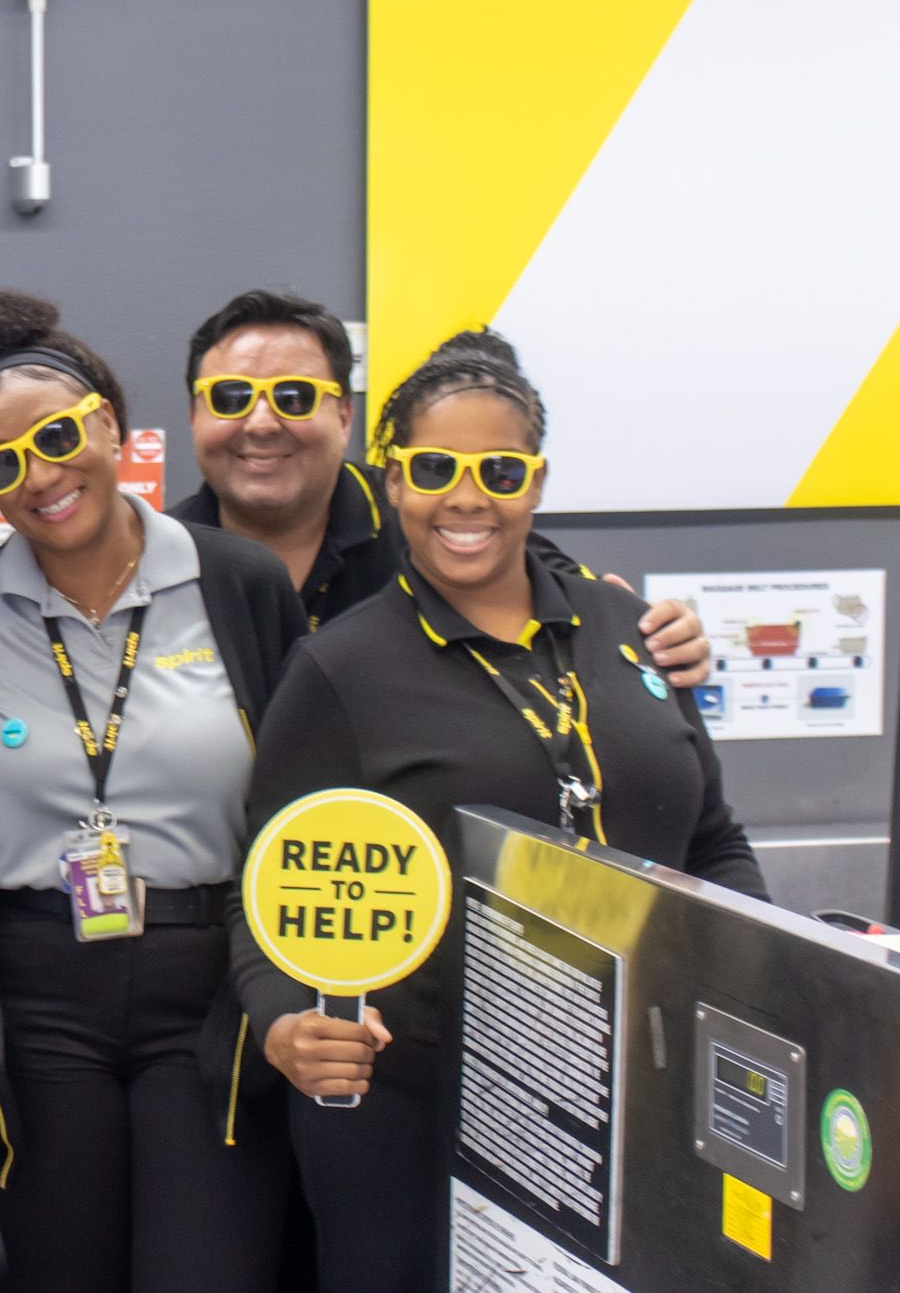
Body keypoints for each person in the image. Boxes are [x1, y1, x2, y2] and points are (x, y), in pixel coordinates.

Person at [238, 329, 768, 1291]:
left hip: (637, 1088)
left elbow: (713, 838)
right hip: (413, 1097)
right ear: (392, 480)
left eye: (500, 468)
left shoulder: (633, 630)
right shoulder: (339, 669)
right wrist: (281, 1020)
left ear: (537, 480)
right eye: (434, 467)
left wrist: (757, 971)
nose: (467, 496)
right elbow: (264, 882)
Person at [0, 290, 307, 1292]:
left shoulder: (238, 583)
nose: (39, 477)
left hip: (208, 982)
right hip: (37, 995)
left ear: (108, 423)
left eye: (55, 437)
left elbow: (301, 789)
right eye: (0, 463)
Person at [170, 289, 710, 676]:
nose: (262, 423)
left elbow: (581, 602)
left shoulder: (430, 515)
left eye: (294, 397)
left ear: (342, 416)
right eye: (230, 398)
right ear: (195, 415)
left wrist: (662, 635)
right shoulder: (154, 562)